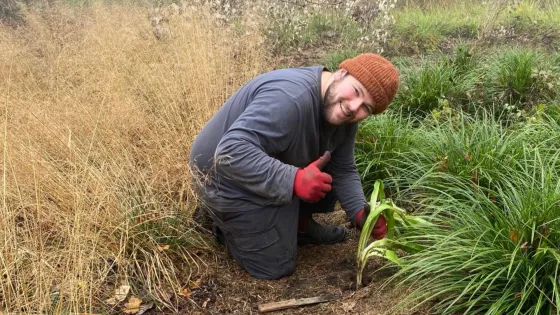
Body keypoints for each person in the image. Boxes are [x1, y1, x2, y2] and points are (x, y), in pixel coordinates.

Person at [189, 53, 399, 280]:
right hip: (220, 177)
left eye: (366, 108)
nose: (353, 107)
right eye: (356, 91)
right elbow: (230, 152)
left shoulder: (341, 110)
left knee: (324, 174)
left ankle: (297, 224)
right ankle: (218, 223)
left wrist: (360, 212)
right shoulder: (290, 99)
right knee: (275, 266)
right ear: (342, 73)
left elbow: (343, 167)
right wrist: (294, 180)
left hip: (253, 164)